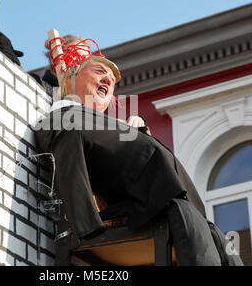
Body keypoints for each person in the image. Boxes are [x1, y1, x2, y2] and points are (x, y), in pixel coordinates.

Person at [33, 37, 243, 266]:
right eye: (97, 69)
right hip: (145, 206)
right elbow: (67, 143)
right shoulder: (64, 114)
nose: (108, 80)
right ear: (70, 73)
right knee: (190, 224)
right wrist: (85, 224)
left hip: (172, 199)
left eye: (112, 80)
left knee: (222, 243)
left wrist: (139, 129)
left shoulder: (110, 124)